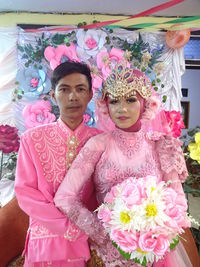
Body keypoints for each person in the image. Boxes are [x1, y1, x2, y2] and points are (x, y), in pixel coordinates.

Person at [54, 64, 196, 267]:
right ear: (105, 105)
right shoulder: (98, 144)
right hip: (107, 254)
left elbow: (179, 203)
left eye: (130, 100)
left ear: (145, 104)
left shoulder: (161, 145)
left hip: (153, 252)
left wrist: (157, 234)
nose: (121, 109)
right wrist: (102, 233)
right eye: (114, 101)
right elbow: (64, 197)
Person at [15, 61, 100, 267]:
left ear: (90, 95)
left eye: (80, 89)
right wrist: (67, 227)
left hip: (88, 241)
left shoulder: (100, 141)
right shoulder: (32, 139)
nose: (73, 97)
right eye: (64, 89)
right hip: (45, 241)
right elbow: (26, 193)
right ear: (53, 95)